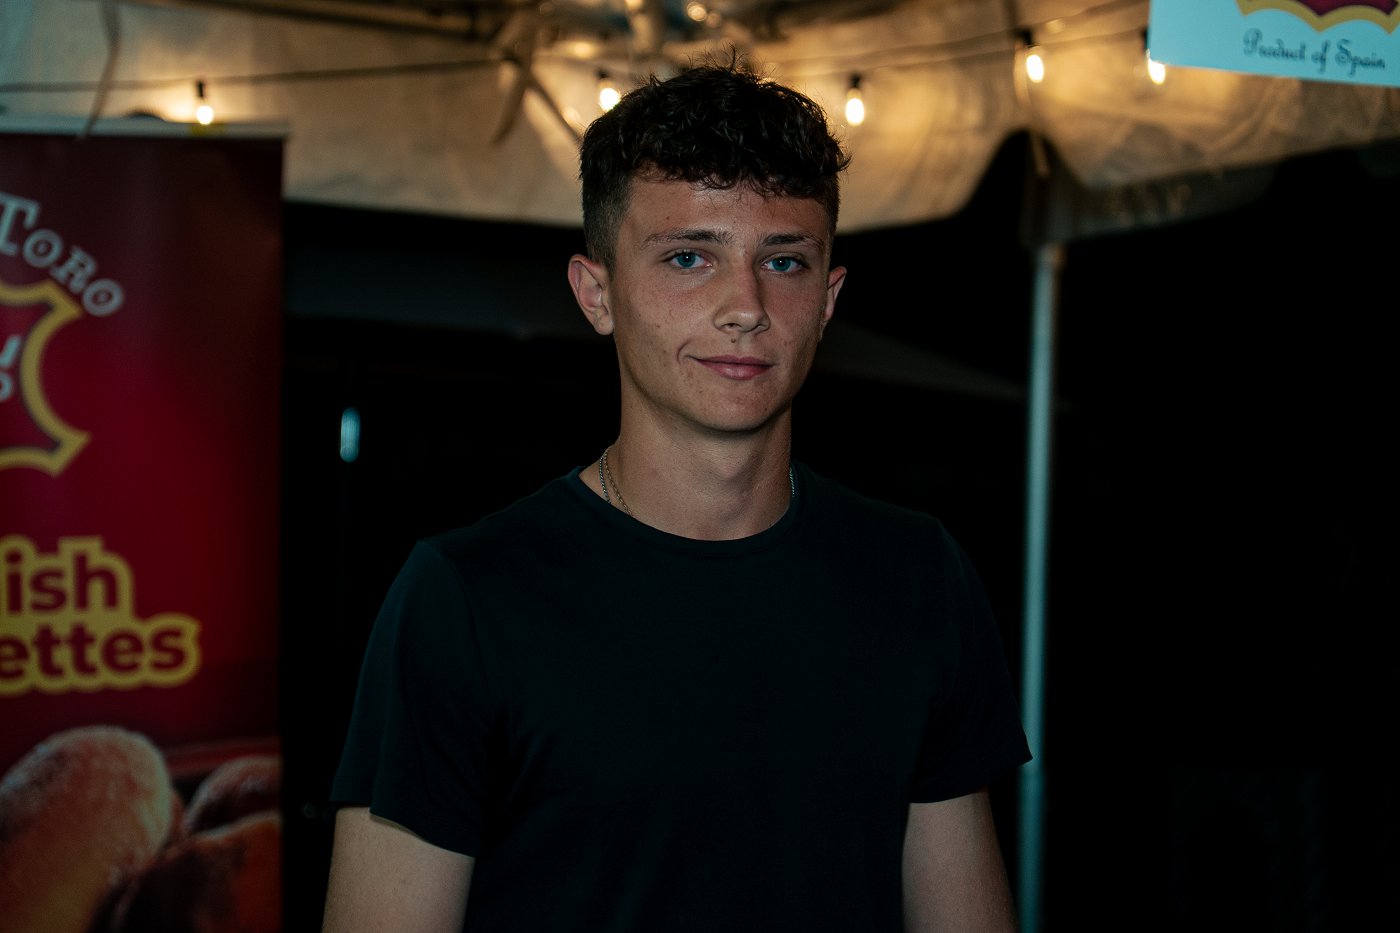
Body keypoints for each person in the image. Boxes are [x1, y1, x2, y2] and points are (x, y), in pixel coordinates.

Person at [321, 56, 1031, 933]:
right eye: (689, 257)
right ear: (597, 294)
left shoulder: (918, 577)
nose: (745, 305)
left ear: (828, 297)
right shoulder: (466, 598)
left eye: (784, 260)